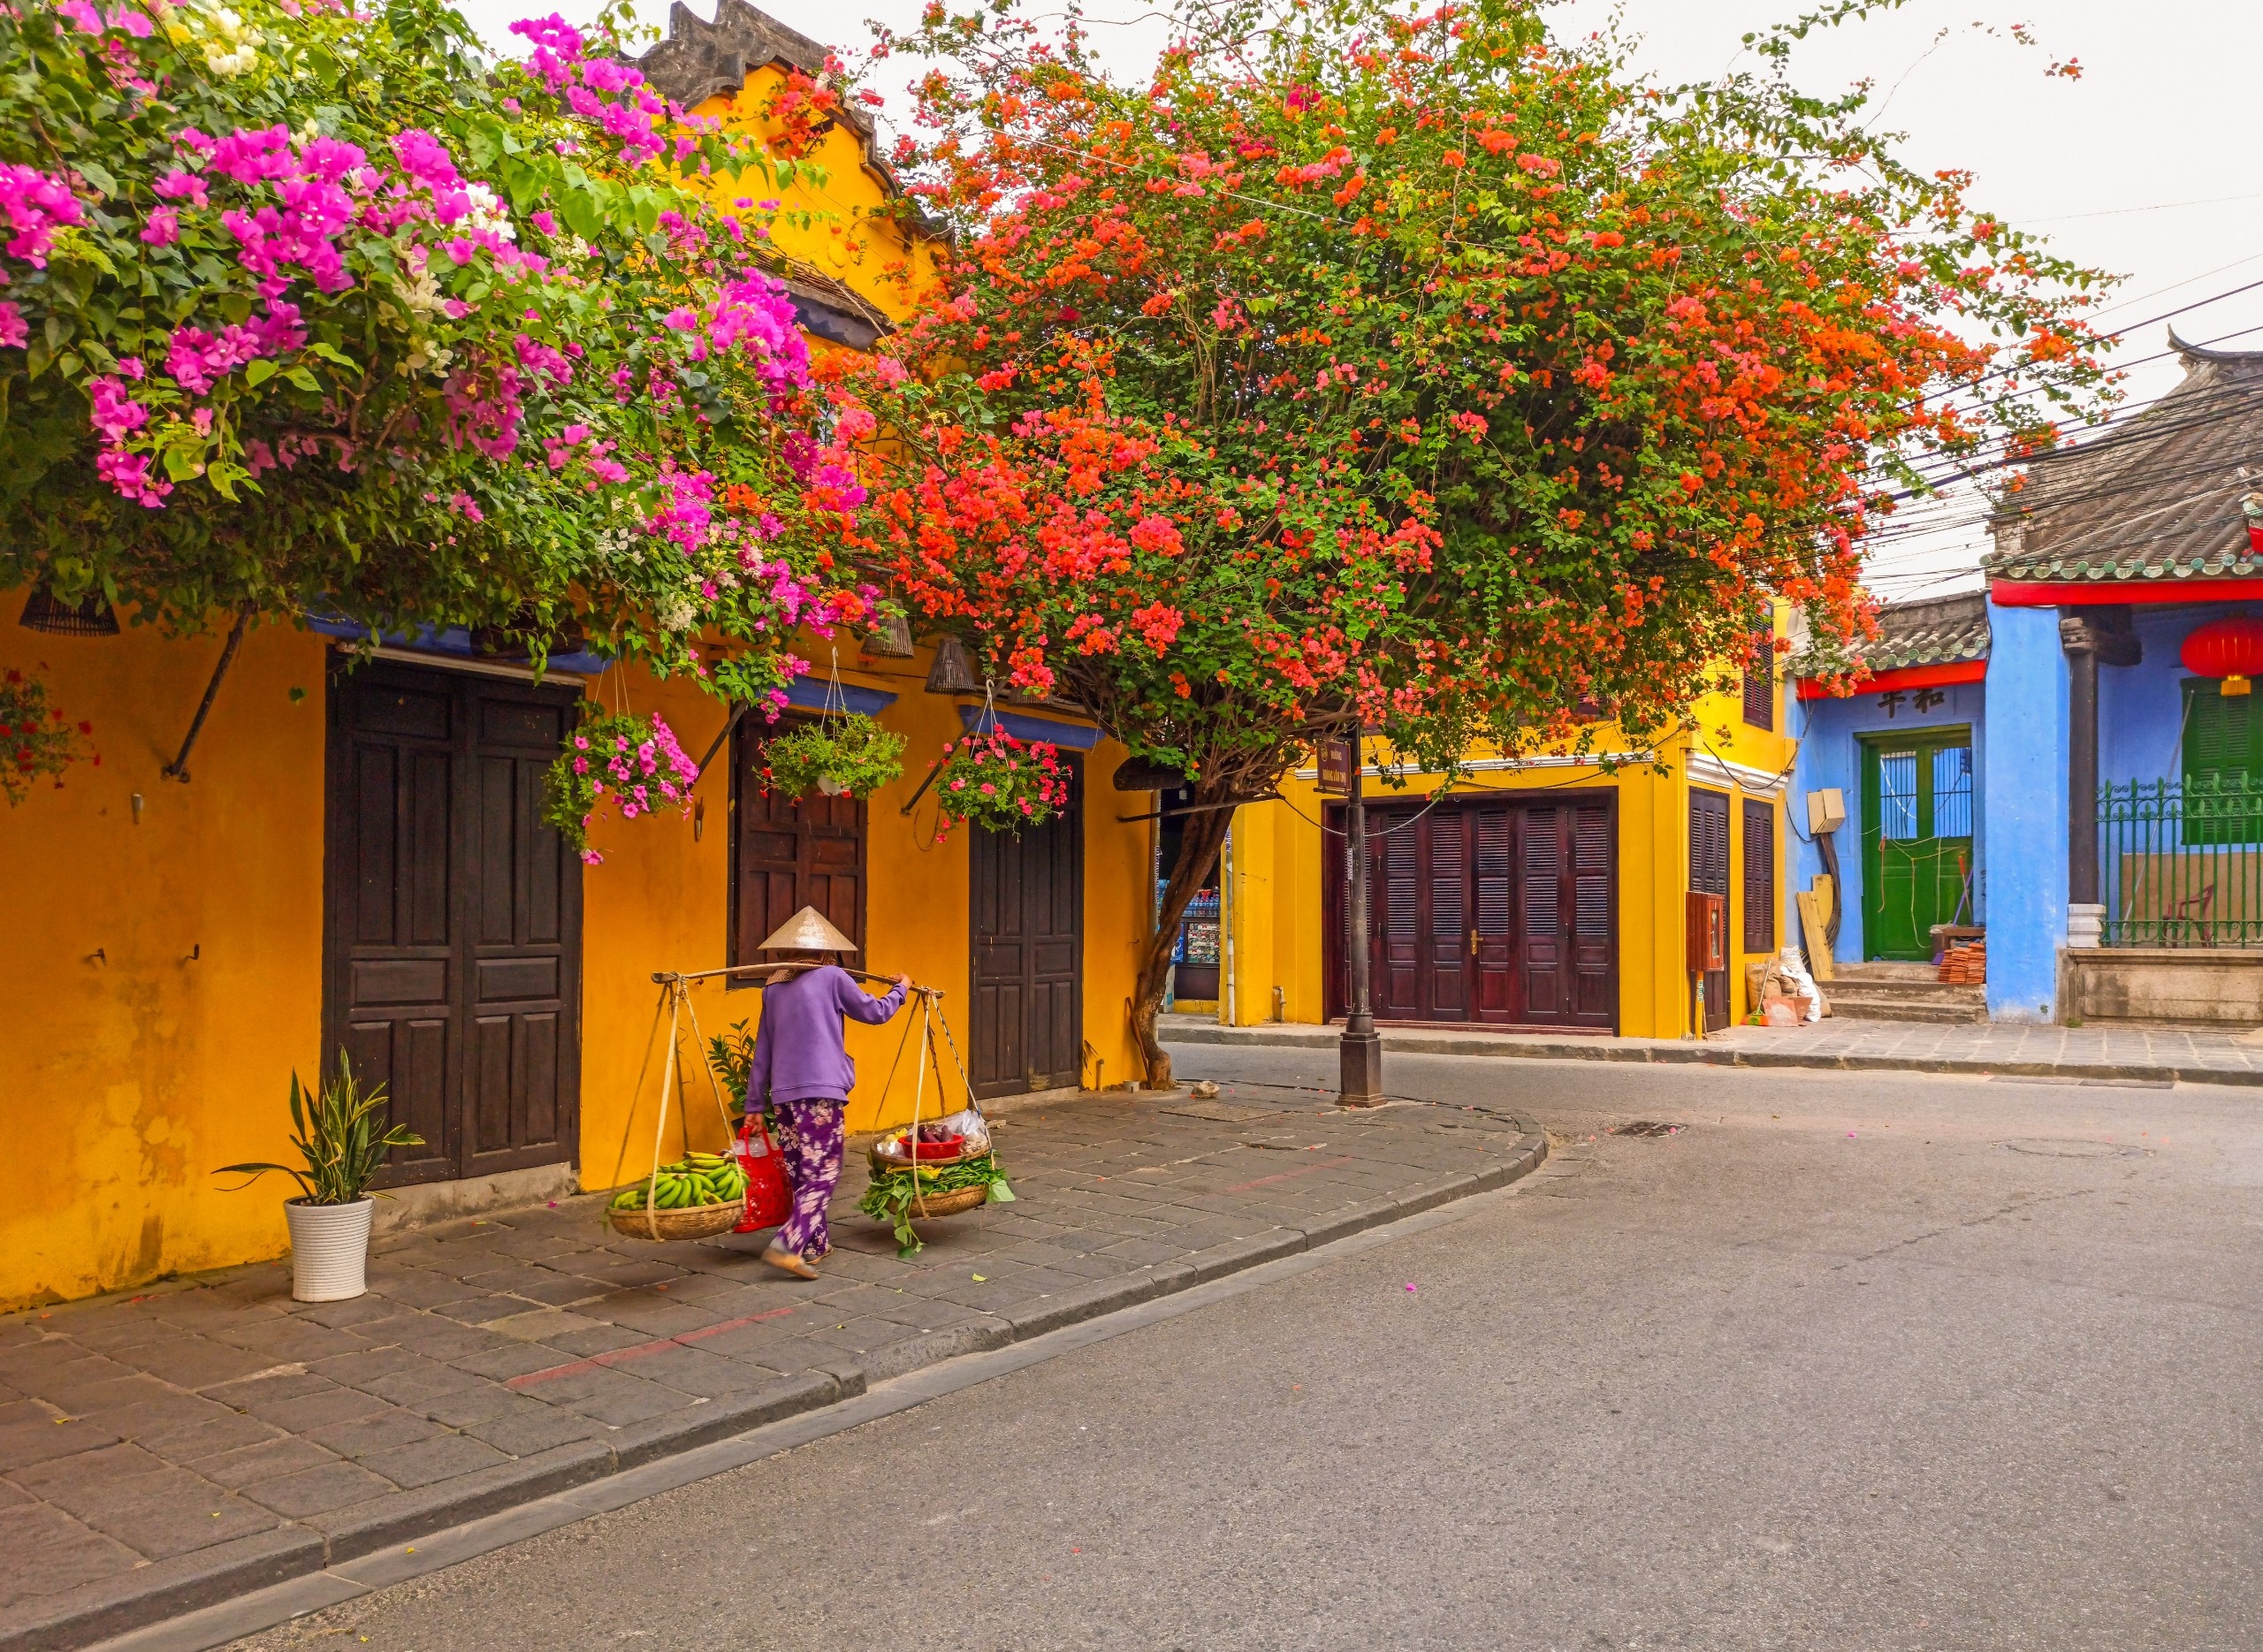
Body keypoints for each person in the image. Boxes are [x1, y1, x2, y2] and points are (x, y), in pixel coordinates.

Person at [745, 905, 909, 1279]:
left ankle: (815, 1244)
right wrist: (901, 988)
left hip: (784, 1097)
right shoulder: (834, 977)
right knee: (824, 1173)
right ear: (826, 953)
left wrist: (755, 1103)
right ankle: (789, 1244)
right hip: (820, 1095)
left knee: (803, 1171)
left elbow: (763, 1049)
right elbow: (876, 1011)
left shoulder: (773, 987)